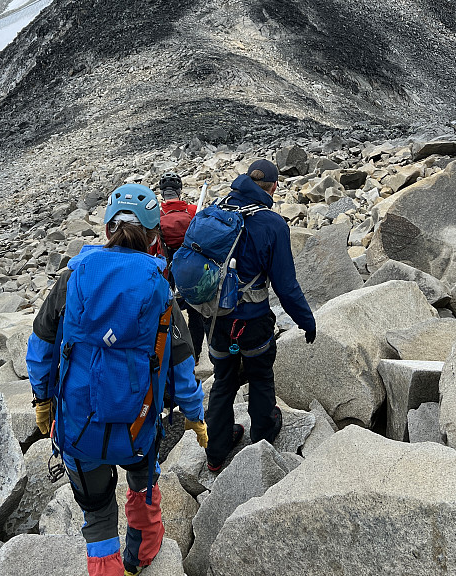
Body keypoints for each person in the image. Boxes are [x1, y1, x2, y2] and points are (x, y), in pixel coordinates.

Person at [26, 183, 206, 576]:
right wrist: (194, 416)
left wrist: (42, 402)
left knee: (97, 516)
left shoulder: (73, 278)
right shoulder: (159, 287)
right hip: (138, 426)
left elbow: (39, 350)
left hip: (77, 426)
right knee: (143, 486)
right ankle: (139, 559)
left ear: (108, 229)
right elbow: (181, 367)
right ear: (155, 235)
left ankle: (106, 566)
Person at [204, 159, 316, 473]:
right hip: (251, 320)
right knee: (261, 376)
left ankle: (217, 450)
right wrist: (306, 321)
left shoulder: (215, 210)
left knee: (224, 379)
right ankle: (263, 436)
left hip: (213, 319)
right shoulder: (273, 224)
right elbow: (286, 285)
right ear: (274, 187)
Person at [157, 172, 205, 362]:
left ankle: (168, 348)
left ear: (163, 193)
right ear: (179, 191)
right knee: (196, 311)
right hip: (191, 266)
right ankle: (196, 353)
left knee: (166, 309)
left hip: (167, 267)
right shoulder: (193, 211)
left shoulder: (156, 216)